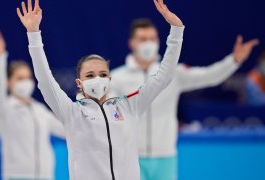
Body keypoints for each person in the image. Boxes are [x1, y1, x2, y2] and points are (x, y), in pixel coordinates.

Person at [16, 0, 184, 179]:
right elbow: (45, 80)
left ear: (110, 79)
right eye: (90, 75)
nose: (97, 79)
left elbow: (164, 76)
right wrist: (34, 34)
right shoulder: (71, 113)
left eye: (103, 74)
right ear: (79, 83)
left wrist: (176, 31)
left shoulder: (129, 106)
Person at [110, 18, 259, 180]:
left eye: (152, 39)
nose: (148, 43)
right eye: (143, 39)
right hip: (131, 157)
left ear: (159, 41)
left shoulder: (173, 74)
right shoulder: (117, 78)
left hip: (165, 156)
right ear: (132, 43)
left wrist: (234, 61)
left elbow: (209, 76)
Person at [0, 29, 65, 180]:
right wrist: (0, 56)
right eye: (19, 78)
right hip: (17, 176)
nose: (25, 82)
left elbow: (66, 131)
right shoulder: (4, 109)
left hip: (45, 176)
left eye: (28, 78)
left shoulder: (39, 110)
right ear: (9, 82)